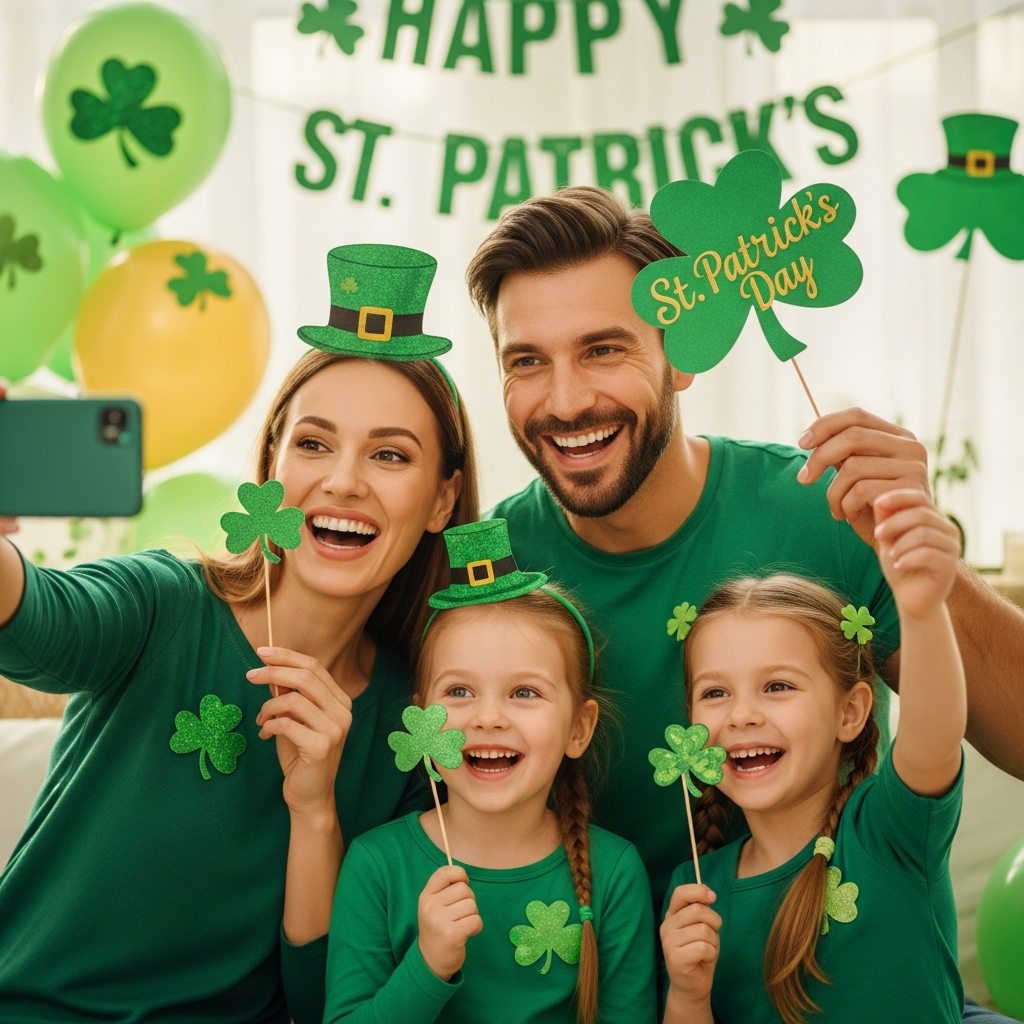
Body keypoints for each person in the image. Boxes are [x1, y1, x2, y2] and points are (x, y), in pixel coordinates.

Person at [467, 187, 1023, 1023]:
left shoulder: (823, 508)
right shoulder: (489, 570)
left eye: (604, 349)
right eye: (526, 361)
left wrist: (926, 561)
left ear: (681, 354)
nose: (566, 400)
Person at [0, 245, 478, 1023]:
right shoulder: (162, 602)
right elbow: (36, 622)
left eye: (390, 455)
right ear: (270, 467)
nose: (344, 480)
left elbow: (327, 1001)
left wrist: (316, 810)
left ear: (440, 501)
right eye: (314, 444)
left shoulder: (415, 726)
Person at [322, 519, 656, 1024]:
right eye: (459, 692)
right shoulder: (376, 866)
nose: (488, 718)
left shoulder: (615, 872)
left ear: (578, 729)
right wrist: (428, 967)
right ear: (420, 721)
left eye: (525, 693)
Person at [660, 488, 965, 1024]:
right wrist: (688, 996)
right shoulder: (695, 889)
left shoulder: (888, 832)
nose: (742, 715)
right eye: (715, 693)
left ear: (850, 713)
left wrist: (924, 611)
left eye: (777, 686)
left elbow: (934, 734)